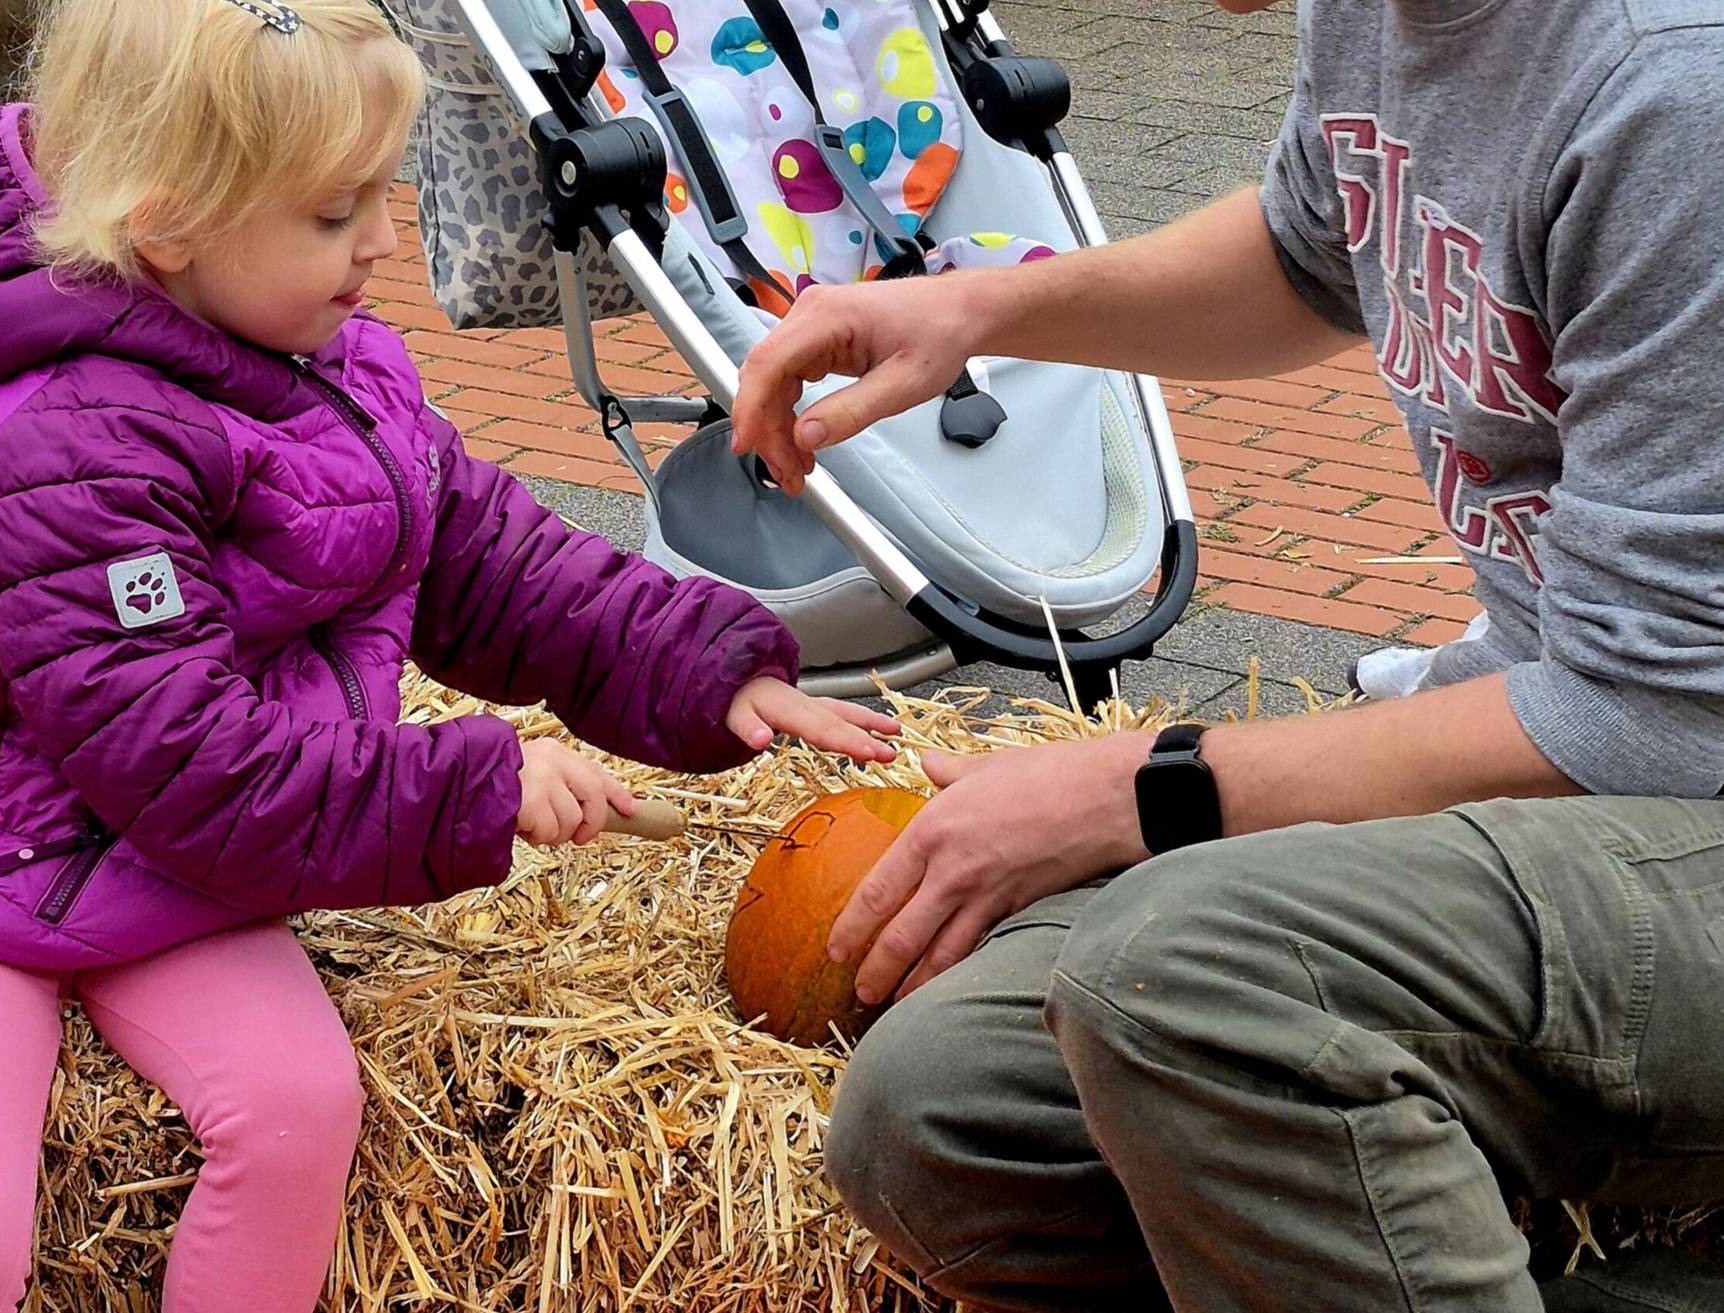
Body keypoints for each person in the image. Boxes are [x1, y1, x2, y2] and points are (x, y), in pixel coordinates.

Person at [0, 0, 899, 1307]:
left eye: (383, 190)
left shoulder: (324, 365)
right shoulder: (67, 450)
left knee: (298, 1109)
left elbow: (489, 557)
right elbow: (185, 760)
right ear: (170, 226)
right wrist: (476, 784)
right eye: (333, 212)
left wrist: (705, 663)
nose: (382, 239)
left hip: (166, 869)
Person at [729, 0, 1724, 1309]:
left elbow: (1649, 719)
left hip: (1674, 787)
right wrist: (975, 309)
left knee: (1182, 974)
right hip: (1577, 764)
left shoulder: (1676, 87)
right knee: (939, 1113)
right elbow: (1309, 253)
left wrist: (1142, 786)